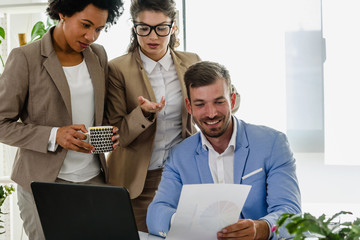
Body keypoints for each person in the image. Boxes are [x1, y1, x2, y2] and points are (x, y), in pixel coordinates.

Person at [105, 0, 240, 232]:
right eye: (144, 28)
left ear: (173, 27)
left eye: (161, 27)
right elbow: (116, 135)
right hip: (138, 181)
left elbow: (228, 101)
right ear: (134, 27)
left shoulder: (191, 61)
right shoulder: (117, 69)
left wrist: (217, 106)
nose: (152, 36)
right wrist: (143, 115)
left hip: (184, 176)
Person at [0, 0, 124, 239]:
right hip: (44, 185)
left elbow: (99, 113)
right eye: (86, 25)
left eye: (99, 29)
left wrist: (110, 133)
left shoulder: (98, 55)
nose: (91, 36)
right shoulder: (25, 58)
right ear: (63, 13)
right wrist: (53, 135)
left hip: (94, 181)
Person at [147, 61, 302, 240]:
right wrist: (185, 222)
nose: (211, 113)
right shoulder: (179, 156)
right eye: (200, 104)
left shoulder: (273, 144)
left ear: (232, 100)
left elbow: (291, 213)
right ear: (189, 107)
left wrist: (262, 229)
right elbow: (155, 215)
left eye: (219, 102)